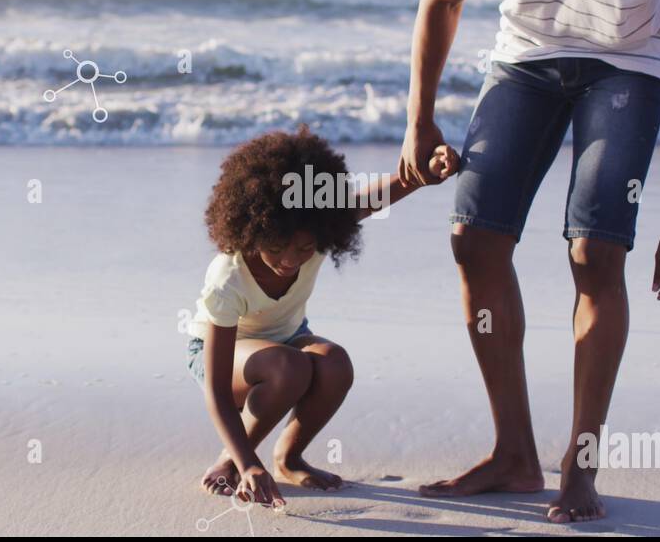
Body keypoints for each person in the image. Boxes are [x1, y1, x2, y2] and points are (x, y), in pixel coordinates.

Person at [398, 0, 660, 523]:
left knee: (596, 253)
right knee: (474, 240)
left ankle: (580, 468)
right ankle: (513, 453)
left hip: (628, 66)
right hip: (525, 57)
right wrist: (420, 120)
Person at [189, 127, 458, 506]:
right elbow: (217, 392)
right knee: (290, 366)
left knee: (334, 363)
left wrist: (422, 174)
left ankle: (289, 457)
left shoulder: (318, 223)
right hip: (224, 354)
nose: (290, 259)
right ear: (256, 227)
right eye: (278, 246)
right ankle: (232, 461)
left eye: (304, 248)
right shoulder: (228, 277)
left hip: (288, 337)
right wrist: (248, 463)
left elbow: (376, 198)